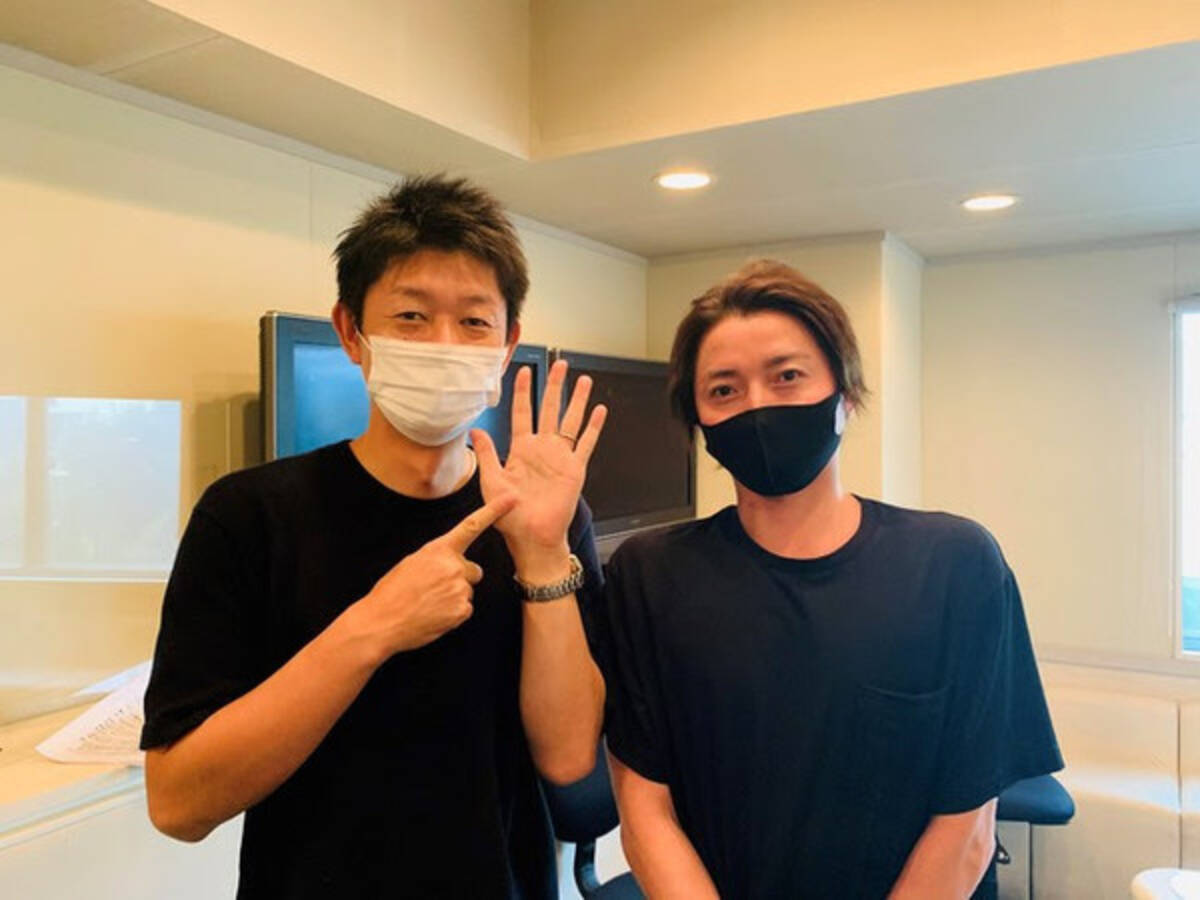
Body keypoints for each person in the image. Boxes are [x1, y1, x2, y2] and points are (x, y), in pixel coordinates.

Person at [140, 175, 608, 898]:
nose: (443, 344)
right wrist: (374, 627)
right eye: (411, 316)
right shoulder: (248, 516)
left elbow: (572, 763)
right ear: (351, 332)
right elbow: (178, 803)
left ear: (508, 343)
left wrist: (542, 555)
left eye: (474, 322)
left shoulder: (545, 517)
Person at [596, 259, 1062, 899]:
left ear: (844, 395)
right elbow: (646, 810)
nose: (758, 405)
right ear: (699, 423)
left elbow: (969, 825)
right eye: (724, 390)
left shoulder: (954, 565)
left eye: (787, 377)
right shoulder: (649, 577)